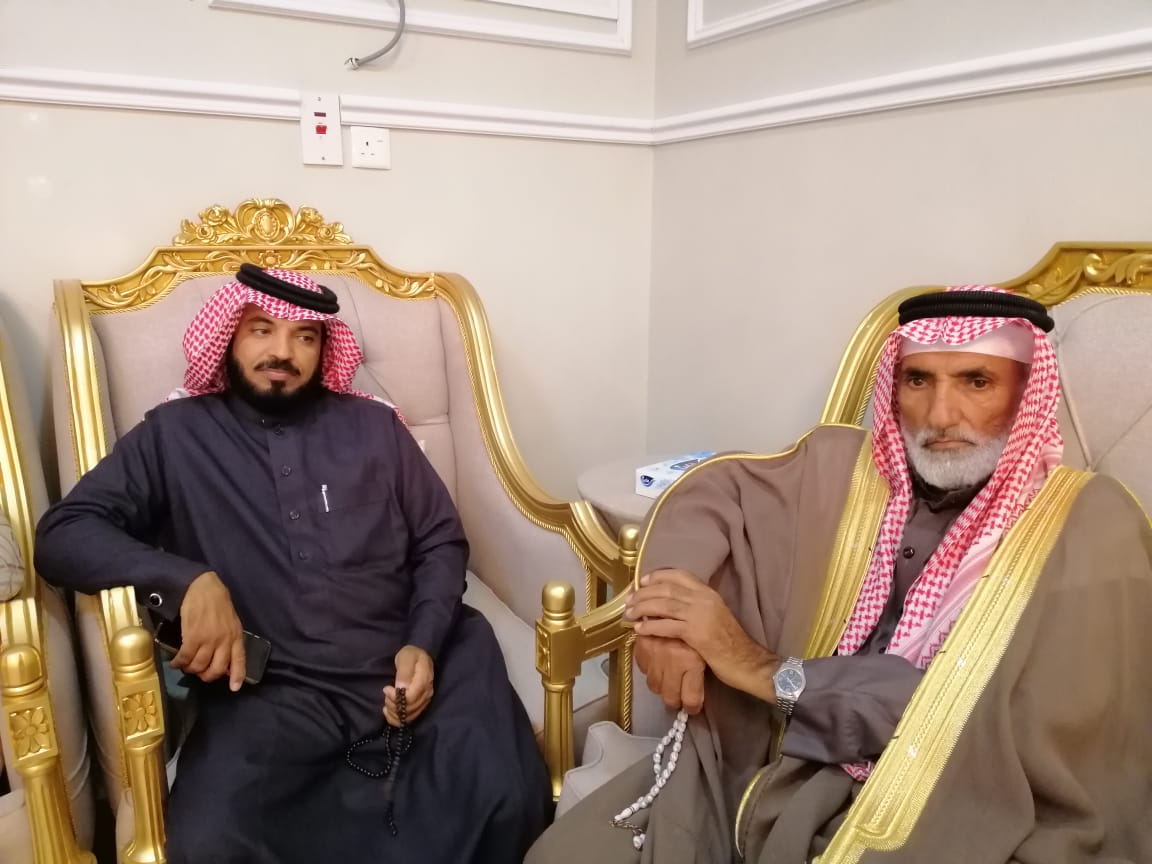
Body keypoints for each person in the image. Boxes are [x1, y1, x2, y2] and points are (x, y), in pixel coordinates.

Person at [527, 286, 1152, 863]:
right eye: (918, 380)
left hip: (952, 803)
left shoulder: (1093, 524)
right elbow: (711, 494)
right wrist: (669, 622)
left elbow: (986, 711)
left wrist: (762, 670)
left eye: (976, 381)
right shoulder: (849, 467)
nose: (940, 414)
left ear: (1026, 394)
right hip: (767, 764)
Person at [36, 265, 551, 863]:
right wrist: (184, 579)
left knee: (505, 800)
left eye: (304, 337)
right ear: (229, 336)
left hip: (415, 658)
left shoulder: (374, 426)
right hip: (277, 691)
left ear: (323, 349)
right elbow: (63, 534)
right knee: (211, 842)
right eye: (262, 330)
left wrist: (425, 643)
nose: (282, 352)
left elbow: (440, 540)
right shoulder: (174, 437)